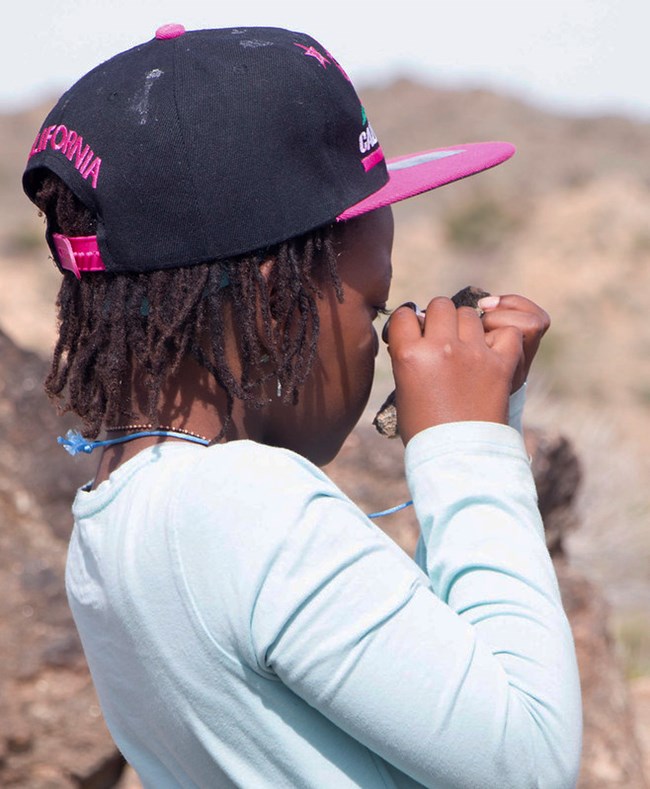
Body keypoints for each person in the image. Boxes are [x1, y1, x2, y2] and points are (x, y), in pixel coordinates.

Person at [23, 24, 582, 788]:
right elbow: (529, 760)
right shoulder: (246, 507)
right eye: (373, 307)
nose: (383, 340)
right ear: (272, 304)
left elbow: (433, 707)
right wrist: (469, 444)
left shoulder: (116, 517)